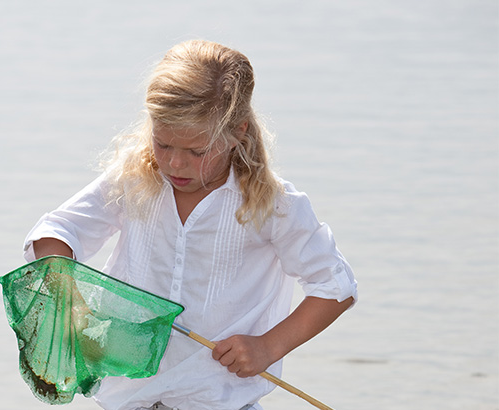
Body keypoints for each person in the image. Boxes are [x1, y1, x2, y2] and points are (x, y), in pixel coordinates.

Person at [23, 39, 357, 410]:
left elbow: (335, 286)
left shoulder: (273, 205)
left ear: (237, 133)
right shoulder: (134, 179)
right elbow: (56, 232)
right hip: (129, 399)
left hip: (221, 400)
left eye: (197, 152)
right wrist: (71, 298)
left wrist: (268, 346)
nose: (175, 165)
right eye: (163, 144)